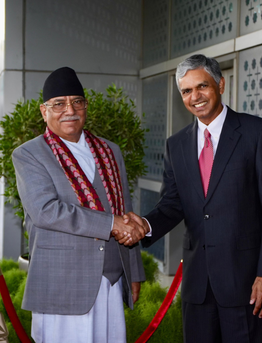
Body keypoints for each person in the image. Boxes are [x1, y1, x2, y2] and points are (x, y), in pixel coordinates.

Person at [114, 54, 262, 342]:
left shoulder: (258, 133)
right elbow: (173, 204)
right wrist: (145, 225)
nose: (195, 96)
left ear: (220, 85)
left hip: (247, 284)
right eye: (186, 91)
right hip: (197, 287)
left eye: (202, 86)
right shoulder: (177, 145)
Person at [12, 67, 146, 343]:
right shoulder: (29, 154)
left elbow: (126, 211)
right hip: (62, 282)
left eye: (77, 102)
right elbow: (46, 211)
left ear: (86, 107)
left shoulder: (110, 151)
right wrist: (111, 224)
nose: (69, 110)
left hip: (110, 281)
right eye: (59, 104)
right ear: (43, 111)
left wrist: (134, 272)